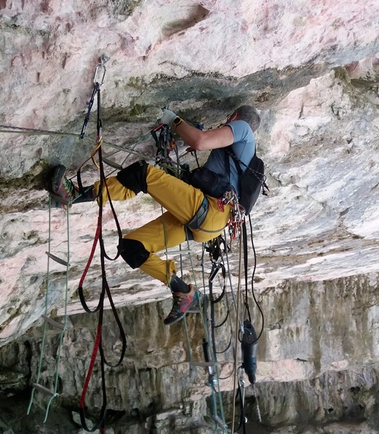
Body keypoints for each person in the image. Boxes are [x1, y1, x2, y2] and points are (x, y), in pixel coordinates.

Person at [51, 105, 260, 325]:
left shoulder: (243, 129)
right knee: (131, 246)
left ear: (234, 117)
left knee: (143, 175)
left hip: (211, 210)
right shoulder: (241, 156)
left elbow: (200, 141)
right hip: (210, 225)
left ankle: (73, 195)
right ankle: (182, 291)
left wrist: (175, 121)